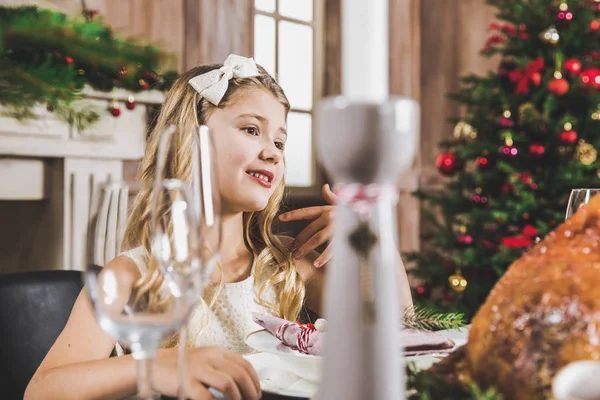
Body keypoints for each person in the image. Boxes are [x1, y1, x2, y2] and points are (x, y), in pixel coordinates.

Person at [25, 54, 412, 400]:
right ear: (191, 141)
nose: (272, 152)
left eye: (280, 141)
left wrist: (375, 240)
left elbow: (399, 347)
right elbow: (42, 392)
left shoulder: (289, 267)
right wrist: (155, 366)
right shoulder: (134, 275)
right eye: (250, 130)